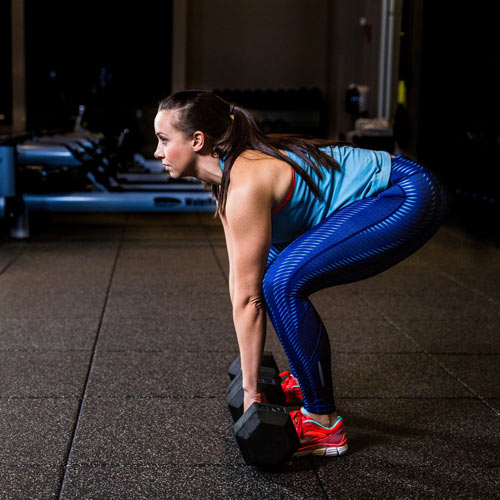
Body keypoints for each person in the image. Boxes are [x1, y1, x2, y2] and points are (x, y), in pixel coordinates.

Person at [153, 89, 447, 458]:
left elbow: (249, 298)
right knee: (273, 273)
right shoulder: (228, 179)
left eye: (164, 140)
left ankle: (323, 423)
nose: (157, 152)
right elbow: (241, 286)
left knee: (281, 283)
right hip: (391, 191)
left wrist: (251, 395)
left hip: (407, 193)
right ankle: (308, 381)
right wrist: (250, 378)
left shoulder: (245, 182)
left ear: (197, 140)